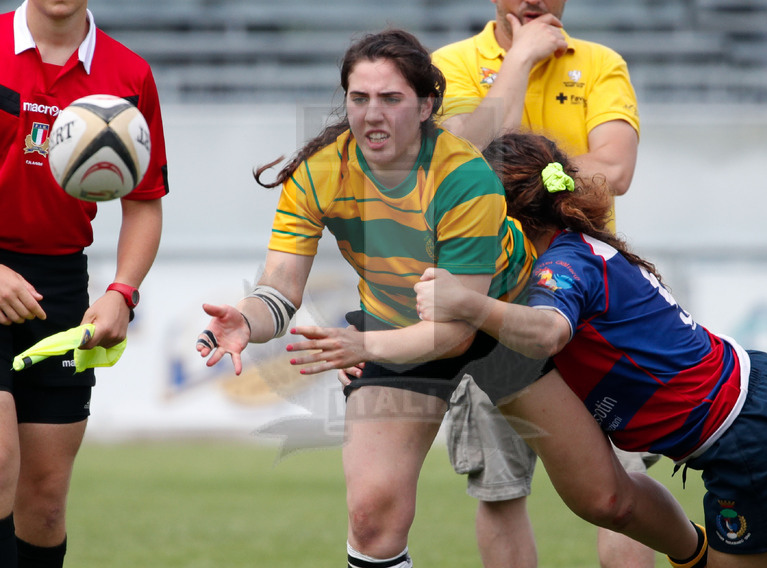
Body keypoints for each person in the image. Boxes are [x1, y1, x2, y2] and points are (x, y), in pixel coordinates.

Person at [195, 29, 701, 568]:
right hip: (400, 328)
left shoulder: (463, 178)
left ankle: (697, 553)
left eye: (391, 99)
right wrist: (248, 319)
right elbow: (281, 287)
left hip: (505, 324)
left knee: (608, 500)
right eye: (359, 98)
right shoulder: (320, 176)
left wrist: (363, 345)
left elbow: (459, 329)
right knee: (372, 516)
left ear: (425, 105)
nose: (372, 115)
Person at [413, 131, 767, 568]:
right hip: (757, 410)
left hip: (752, 434)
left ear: (504, 214)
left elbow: (547, 333)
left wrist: (466, 303)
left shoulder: (563, 266)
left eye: (474, 209)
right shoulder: (569, 251)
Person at [431, 1, 647, 565]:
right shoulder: (448, 65)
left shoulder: (600, 64)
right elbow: (459, 161)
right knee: (500, 488)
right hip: (491, 297)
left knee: (625, 486)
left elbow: (617, 172)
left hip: (591, 297)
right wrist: (521, 60)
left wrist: (523, 169)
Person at [0, 1, 168, 567]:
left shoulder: (129, 74)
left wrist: (121, 292)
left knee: (44, 503)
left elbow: (144, 206)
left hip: (62, 287)